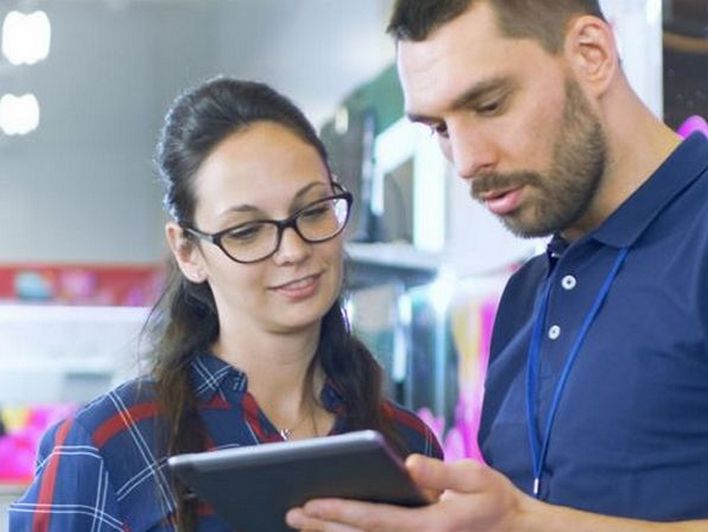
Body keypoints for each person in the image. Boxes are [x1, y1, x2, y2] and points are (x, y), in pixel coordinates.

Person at [286, 0, 708, 530]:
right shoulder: (526, 295)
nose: (466, 161)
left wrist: (524, 523)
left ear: (592, 54)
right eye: (439, 127)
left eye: (488, 105)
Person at [9, 77, 443, 531]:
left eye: (314, 211)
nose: (293, 250)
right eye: (246, 231)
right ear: (188, 252)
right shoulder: (114, 440)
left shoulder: (408, 446)